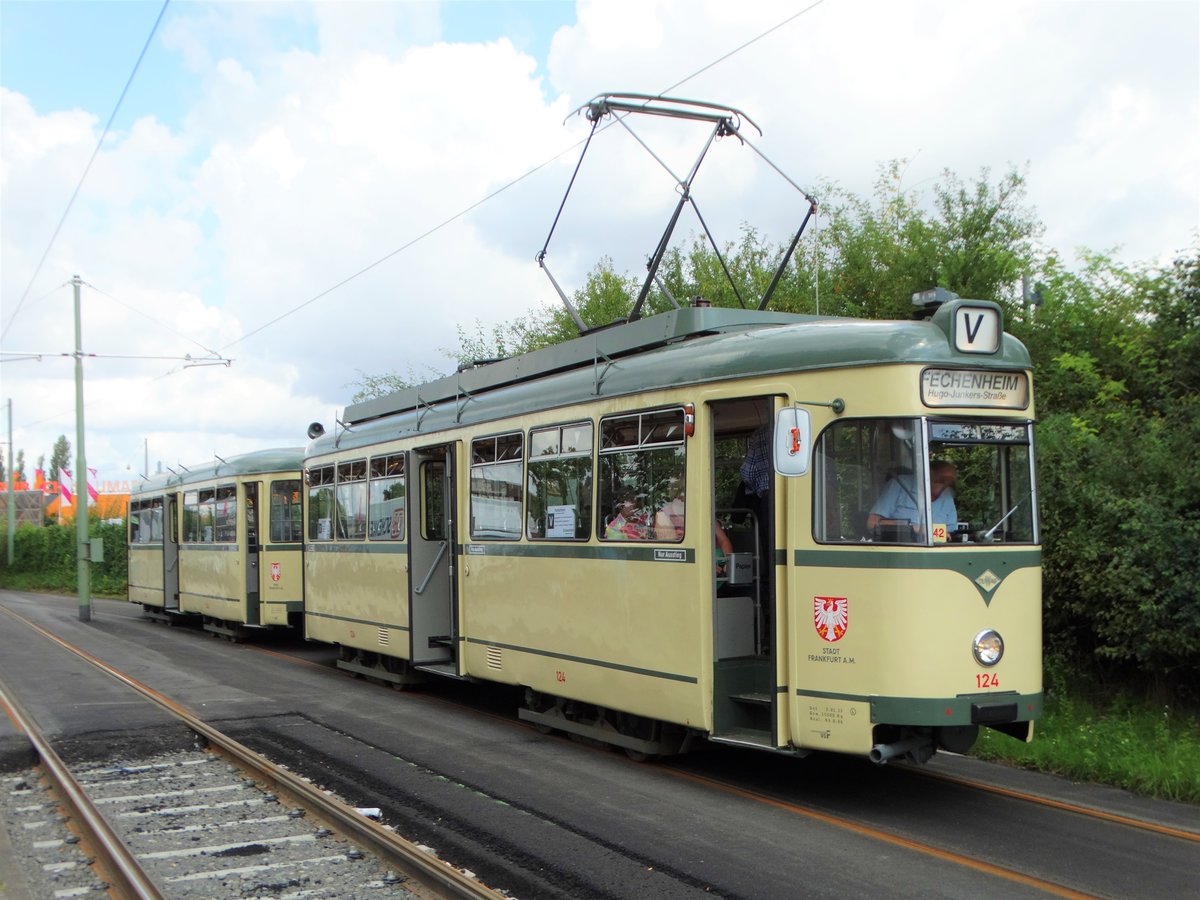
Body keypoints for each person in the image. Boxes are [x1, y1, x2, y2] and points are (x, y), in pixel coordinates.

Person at [867, 460, 958, 536]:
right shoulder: (899, 484)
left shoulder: (947, 495)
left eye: (950, 482)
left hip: (936, 551)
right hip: (901, 548)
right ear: (929, 474)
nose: (947, 485)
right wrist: (916, 528)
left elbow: (951, 531)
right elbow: (872, 523)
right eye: (942, 480)